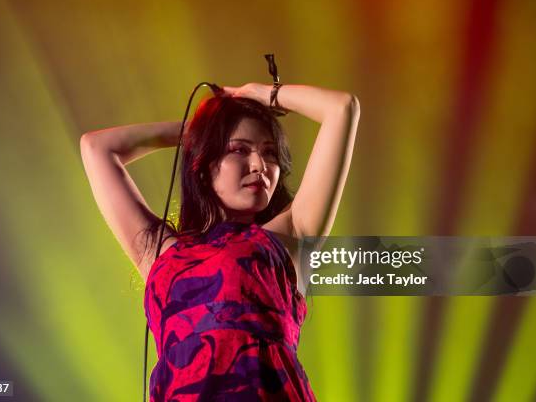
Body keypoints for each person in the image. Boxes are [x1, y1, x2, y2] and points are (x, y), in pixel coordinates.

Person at [80, 82, 360, 401]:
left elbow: (342, 108)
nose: (260, 166)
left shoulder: (288, 237)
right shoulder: (162, 254)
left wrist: (261, 92)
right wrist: (202, 131)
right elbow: (96, 147)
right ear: (204, 163)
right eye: (239, 149)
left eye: (270, 153)